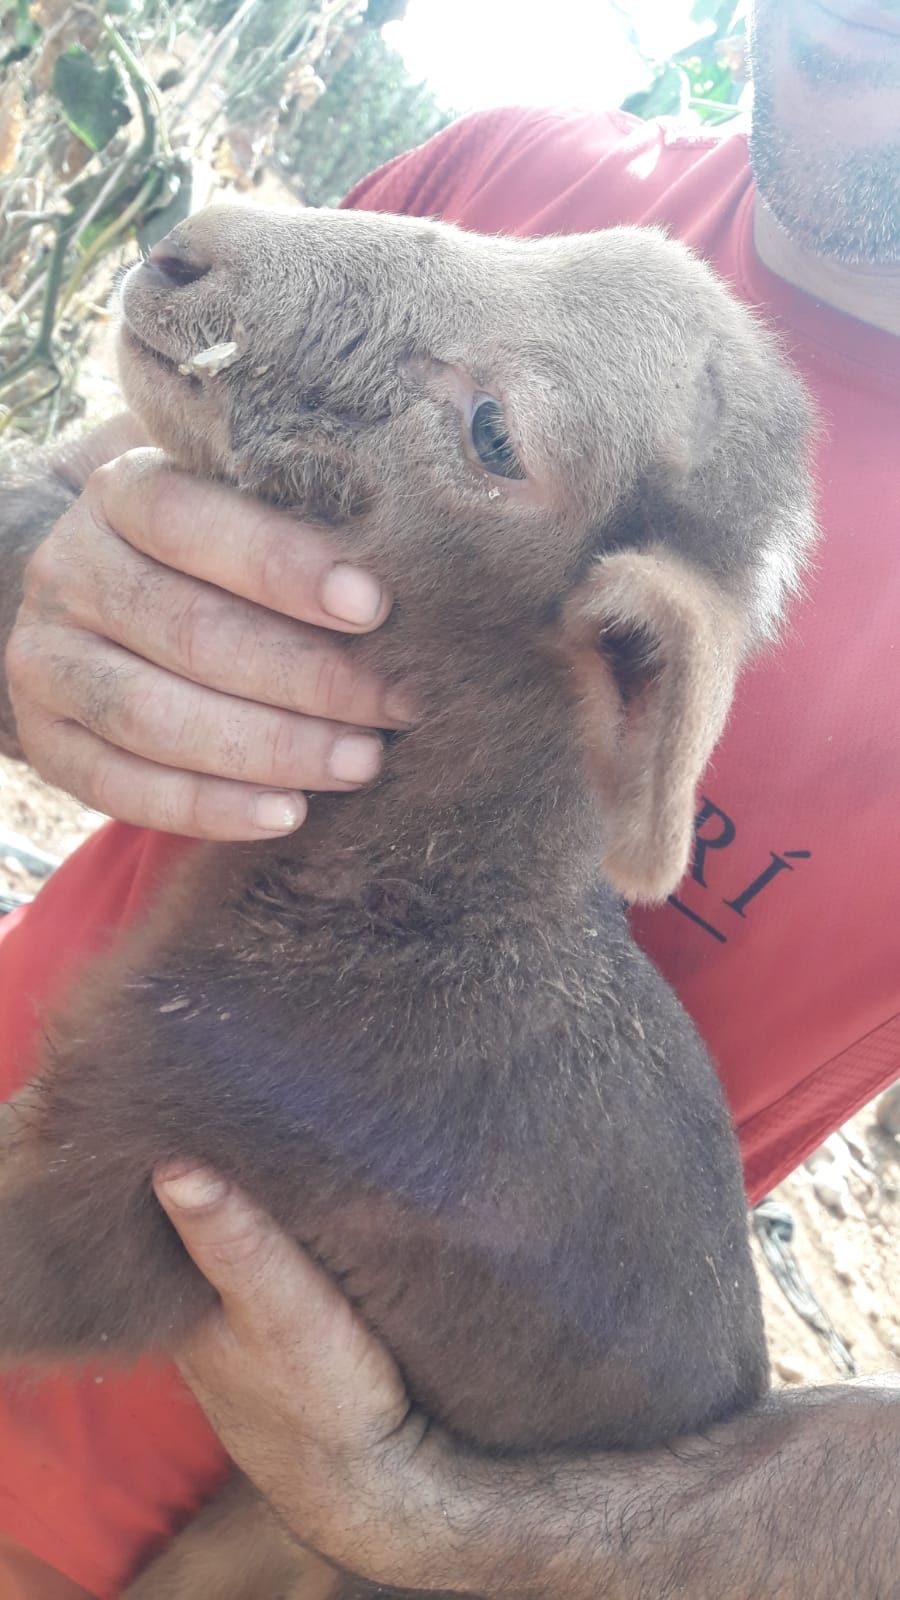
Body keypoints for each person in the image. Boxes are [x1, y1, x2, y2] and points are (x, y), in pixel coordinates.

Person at [0, 0, 898, 1593]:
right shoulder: (520, 172)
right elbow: (87, 476)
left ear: (642, 684)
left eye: (492, 430)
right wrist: (27, 598)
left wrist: (428, 1524)